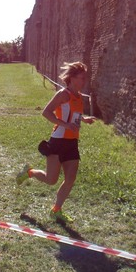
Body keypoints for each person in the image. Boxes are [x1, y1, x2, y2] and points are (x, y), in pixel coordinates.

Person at [16, 62, 96, 223]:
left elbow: (73, 115)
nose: (83, 81)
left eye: (84, 78)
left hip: (72, 142)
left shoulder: (79, 97)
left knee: (70, 178)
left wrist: (83, 119)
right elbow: (46, 112)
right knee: (51, 180)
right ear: (72, 78)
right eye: (81, 78)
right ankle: (29, 172)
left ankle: (56, 210)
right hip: (58, 141)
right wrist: (65, 125)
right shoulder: (63, 94)